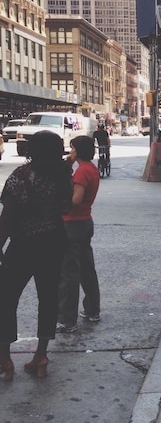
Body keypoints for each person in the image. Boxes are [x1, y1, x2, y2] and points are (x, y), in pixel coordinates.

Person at [0, 131, 73, 380]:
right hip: (53, 243)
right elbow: (66, 207)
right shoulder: (63, 176)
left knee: (6, 299)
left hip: (23, 245)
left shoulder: (21, 176)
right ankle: (41, 355)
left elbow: (8, 216)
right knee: (48, 298)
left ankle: (4, 360)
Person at [57, 135, 101, 333]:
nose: (70, 152)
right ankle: (92, 309)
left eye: (72, 149)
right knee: (86, 268)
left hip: (72, 223)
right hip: (85, 221)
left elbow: (76, 199)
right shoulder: (91, 168)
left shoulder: (82, 172)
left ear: (79, 151)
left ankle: (67, 319)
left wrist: (61, 206)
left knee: (69, 272)